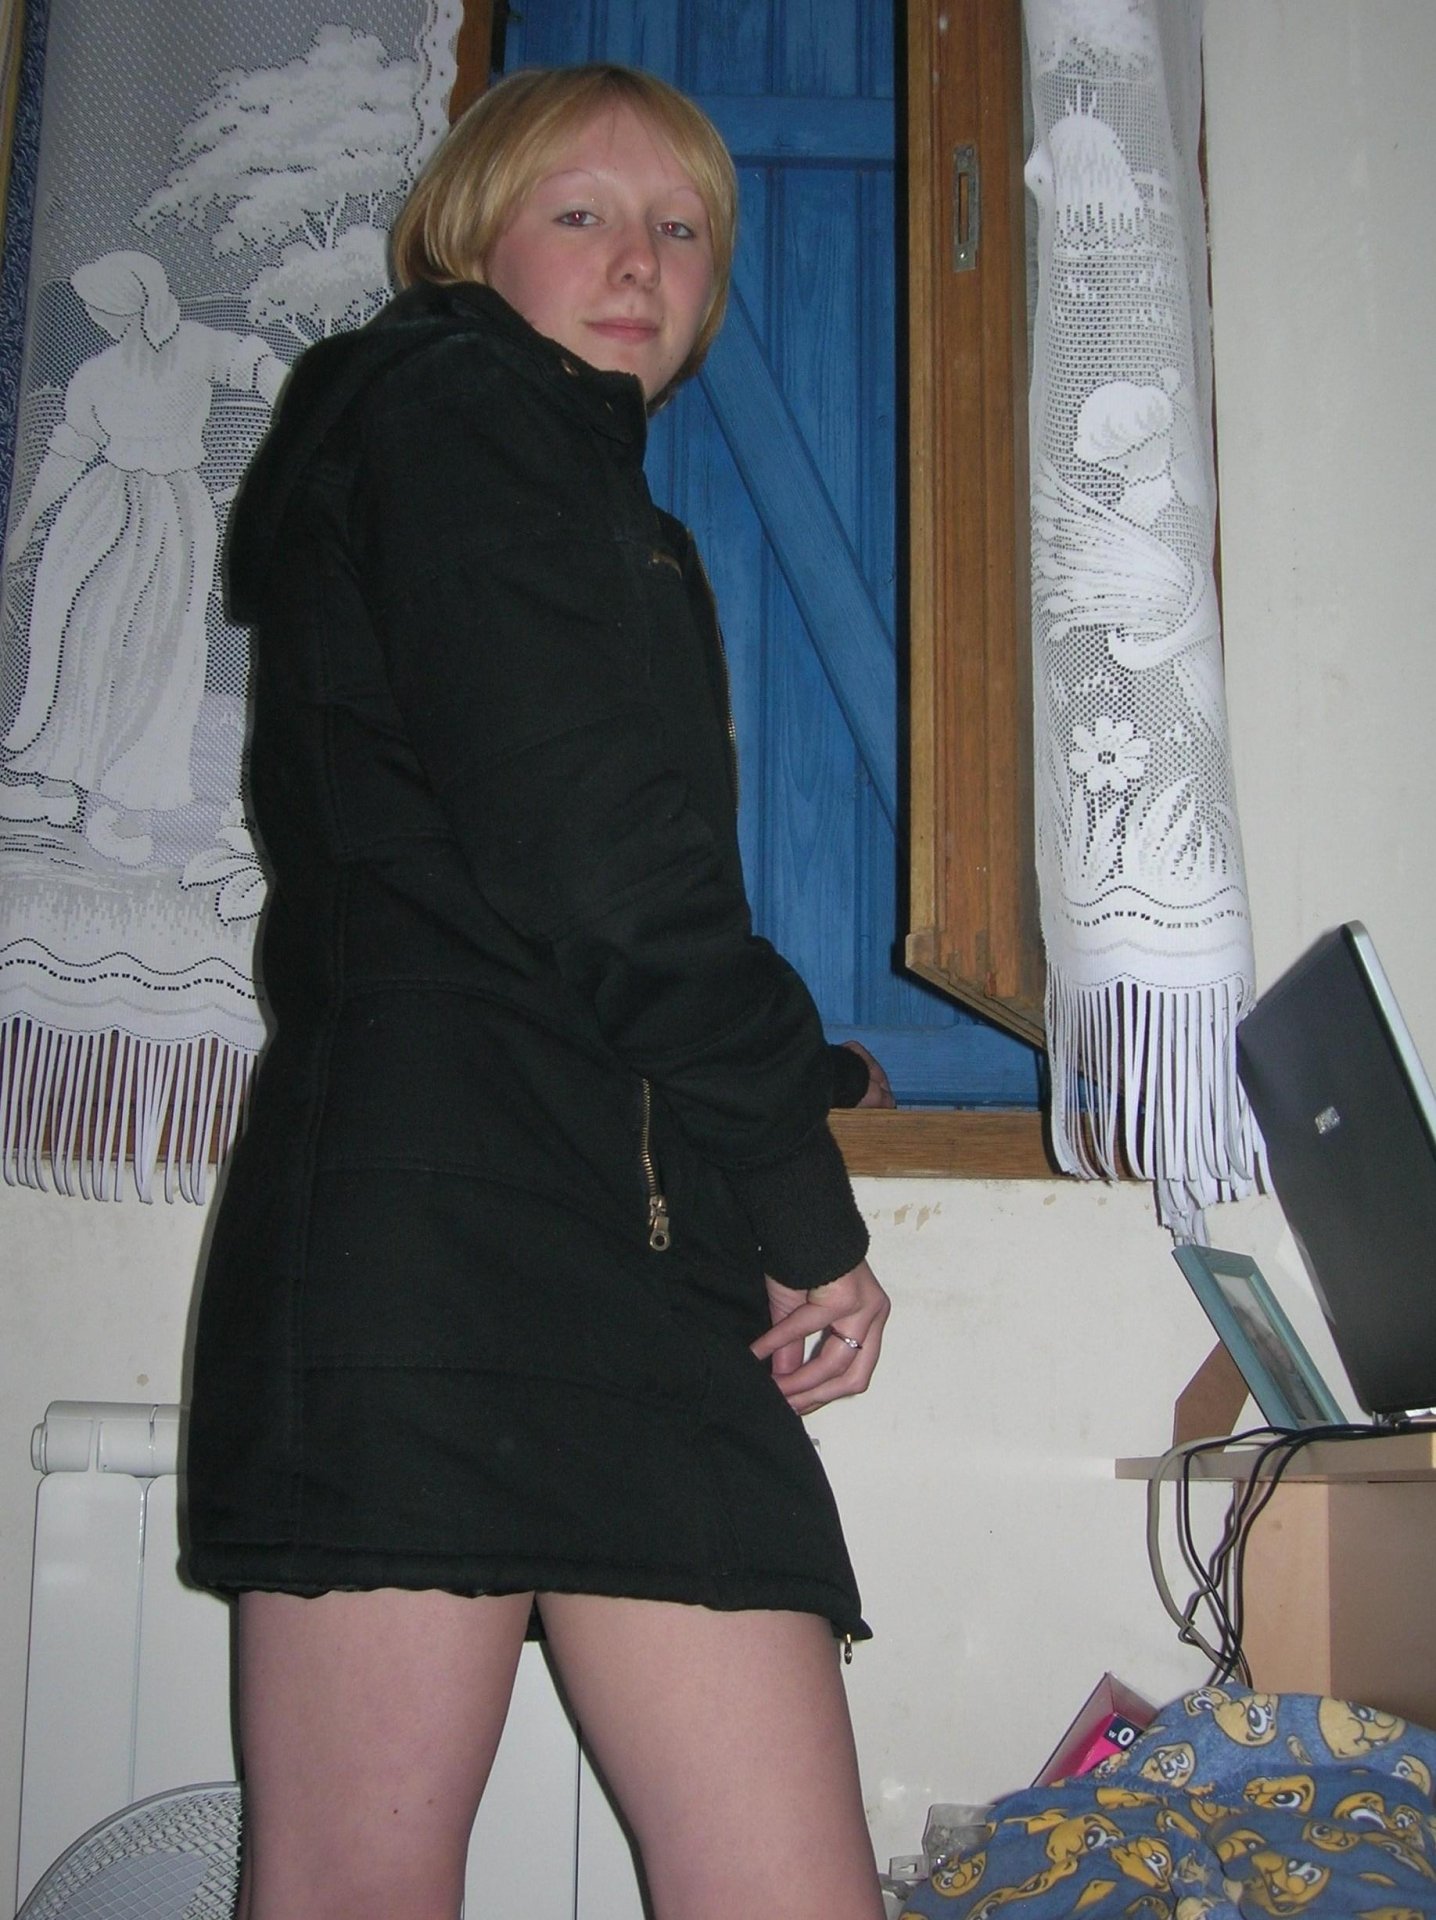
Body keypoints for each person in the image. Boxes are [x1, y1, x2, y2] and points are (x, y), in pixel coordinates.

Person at [185, 61, 893, 1920]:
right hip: (427, 1248)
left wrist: (763, 1154)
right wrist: (803, 1203)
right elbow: (606, 873)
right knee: (357, 1888)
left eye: (683, 229)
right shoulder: (448, 407)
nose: (641, 260)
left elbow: (576, 897)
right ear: (468, 238)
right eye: (583, 213)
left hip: (626, 1259)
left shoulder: (601, 513)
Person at [0, 250, 285, 859]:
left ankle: (128, 805)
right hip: (101, 511)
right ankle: (59, 782)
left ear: (130, 306)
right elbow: (68, 452)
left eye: (101, 308)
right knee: (81, 637)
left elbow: (258, 366)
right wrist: (25, 524)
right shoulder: (96, 374)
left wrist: (308, 414)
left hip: (172, 516)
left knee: (159, 650)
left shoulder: (195, 346)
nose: (95, 318)